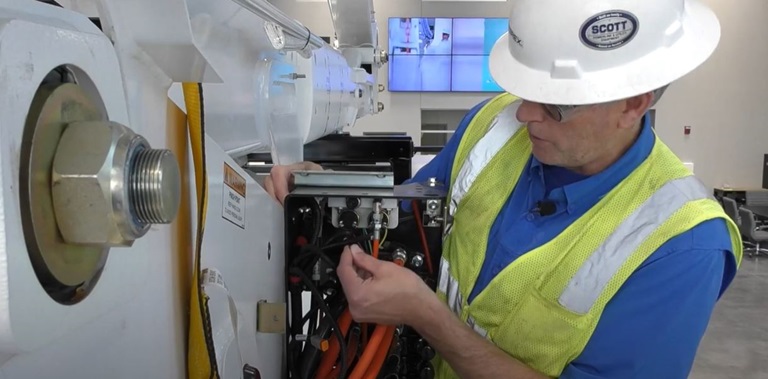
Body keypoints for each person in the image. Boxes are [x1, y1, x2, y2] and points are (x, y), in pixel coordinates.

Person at [265, 0, 743, 377]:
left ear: (633, 103)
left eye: (556, 104)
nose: (524, 114)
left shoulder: (683, 244)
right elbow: (399, 223)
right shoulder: (493, 126)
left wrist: (428, 318)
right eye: (523, 89)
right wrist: (320, 190)